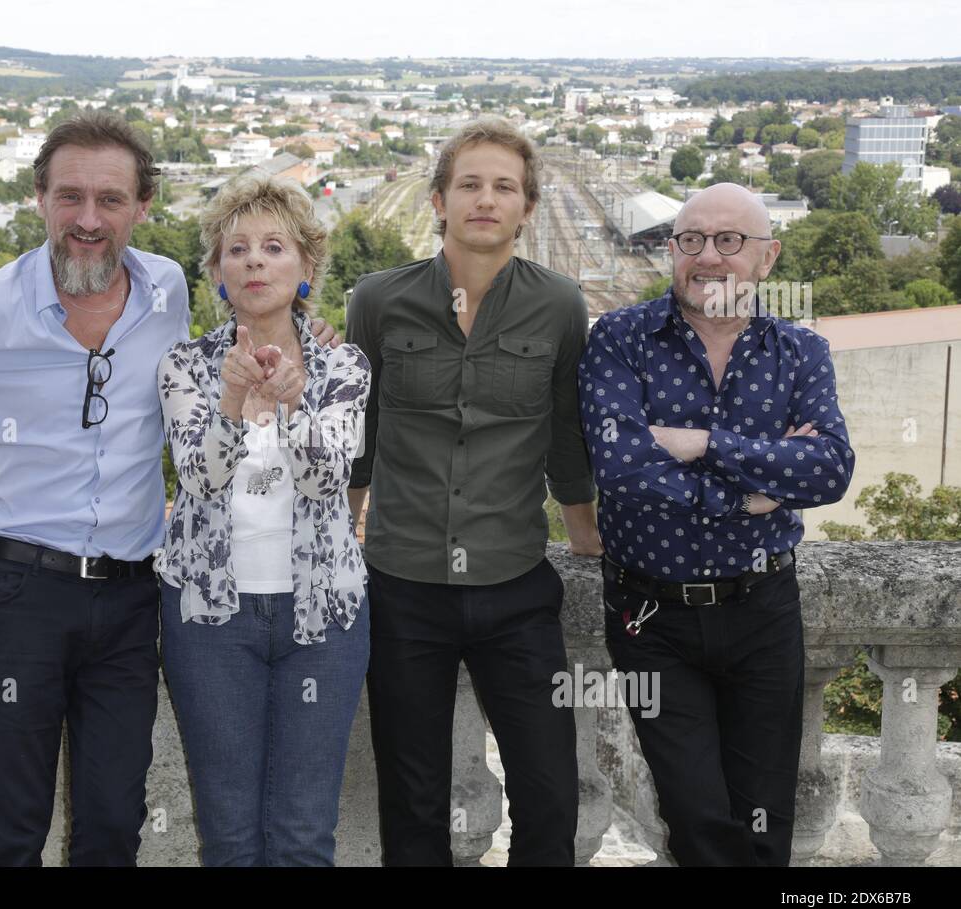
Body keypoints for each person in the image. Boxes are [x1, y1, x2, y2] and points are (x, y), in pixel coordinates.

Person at [0, 110, 340, 866]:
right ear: (40, 199)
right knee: (11, 830)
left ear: (142, 208)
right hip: (19, 592)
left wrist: (310, 335)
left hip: (129, 602)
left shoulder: (164, 290)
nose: (89, 220)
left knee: (114, 827)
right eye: (71, 198)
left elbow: (244, 336)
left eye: (110, 200)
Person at [346, 119, 603, 867]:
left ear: (527, 208)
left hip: (515, 586)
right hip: (403, 587)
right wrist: (342, 531)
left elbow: (565, 432)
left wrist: (583, 530)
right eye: (469, 184)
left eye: (504, 187)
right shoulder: (378, 300)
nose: (486, 199)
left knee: (550, 788)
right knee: (414, 795)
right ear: (438, 200)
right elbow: (356, 432)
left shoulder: (559, 306)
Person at [578, 182, 855, 865]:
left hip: (762, 609)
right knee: (697, 817)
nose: (708, 256)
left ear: (766, 258)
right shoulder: (620, 338)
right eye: (690, 240)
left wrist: (702, 444)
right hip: (651, 618)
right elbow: (621, 466)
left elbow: (828, 470)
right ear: (672, 251)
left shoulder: (800, 351)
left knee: (764, 822)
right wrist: (746, 495)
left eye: (730, 241)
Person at [156, 173, 371, 866]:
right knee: (227, 833)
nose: (254, 260)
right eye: (237, 248)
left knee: (304, 835)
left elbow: (326, 478)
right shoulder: (185, 366)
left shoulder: (343, 364)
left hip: (323, 619)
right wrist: (231, 397)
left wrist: (293, 403)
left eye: (274, 246)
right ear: (217, 273)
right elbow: (200, 475)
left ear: (307, 267)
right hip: (210, 619)